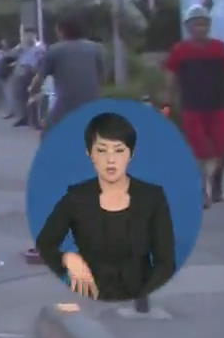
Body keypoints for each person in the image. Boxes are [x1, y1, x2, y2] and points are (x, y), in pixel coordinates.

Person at [35, 113, 176, 301]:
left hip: (139, 299)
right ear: (90, 153)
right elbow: (44, 245)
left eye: (119, 150)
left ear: (130, 154)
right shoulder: (76, 198)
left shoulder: (152, 198)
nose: (111, 160)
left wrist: (143, 299)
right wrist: (67, 258)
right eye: (102, 150)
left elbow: (165, 263)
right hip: (88, 299)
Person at [163, 5, 224, 206]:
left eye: (203, 23)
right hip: (192, 108)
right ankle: (202, 193)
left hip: (218, 106)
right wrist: (166, 102)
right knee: (199, 154)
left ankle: (216, 185)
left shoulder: (220, 48)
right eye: (195, 24)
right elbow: (171, 78)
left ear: (208, 25)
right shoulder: (180, 50)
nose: (200, 28)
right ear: (188, 27)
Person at [30, 16, 105, 134]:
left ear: (62, 31)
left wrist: (32, 90)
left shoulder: (55, 50)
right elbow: (101, 74)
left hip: (67, 103)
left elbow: (40, 77)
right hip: (93, 101)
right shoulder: (95, 48)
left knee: (47, 132)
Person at [7, 29, 46, 128]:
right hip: (21, 73)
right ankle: (24, 117)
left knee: (33, 96)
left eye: (29, 35)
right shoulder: (22, 47)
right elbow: (11, 55)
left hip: (32, 73)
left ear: (34, 35)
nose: (27, 37)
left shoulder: (39, 47)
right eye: (25, 35)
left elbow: (41, 59)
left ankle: (35, 120)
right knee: (20, 96)